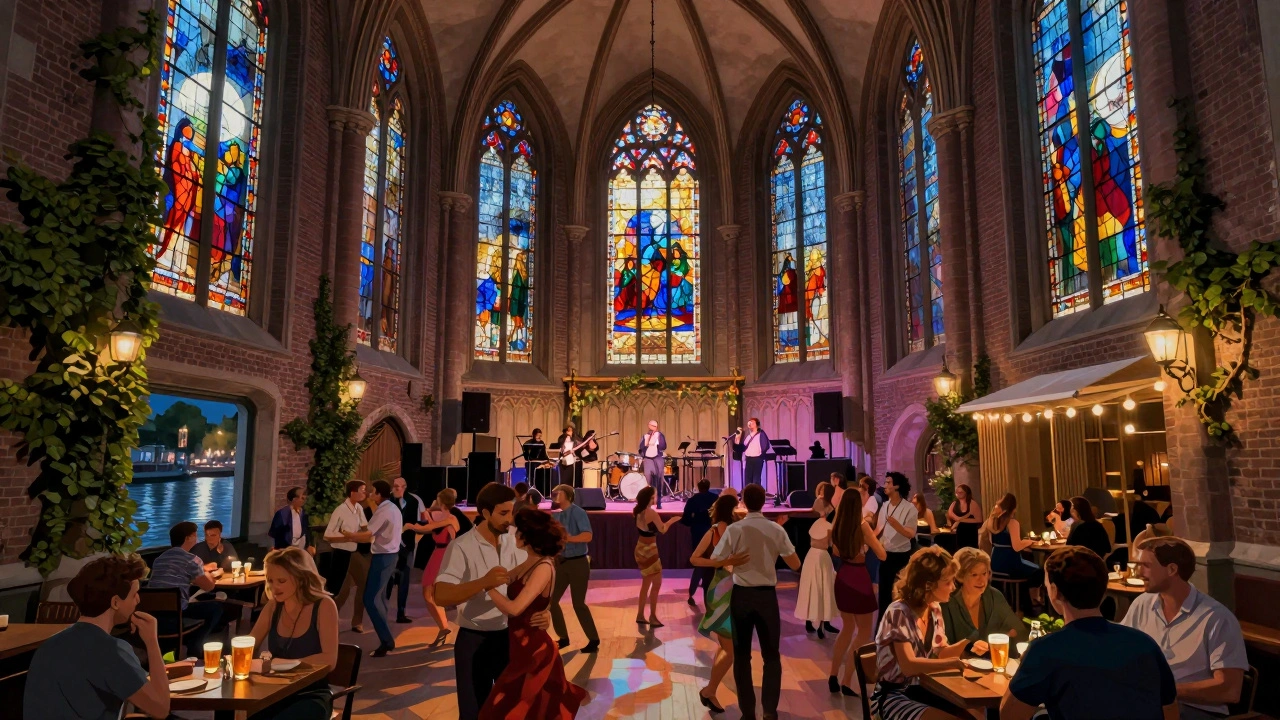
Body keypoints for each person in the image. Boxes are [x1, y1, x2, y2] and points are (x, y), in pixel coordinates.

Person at [1000, 546, 1178, 720]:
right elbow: (1170, 710)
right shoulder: (1145, 643)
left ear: (1054, 592)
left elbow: (1009, 714)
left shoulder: (1046, 650)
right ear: (1102, 591)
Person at [435, 482, 553, 720]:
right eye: (502, 513)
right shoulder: (461, 546)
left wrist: (544, 612)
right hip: (473, 640)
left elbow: (536, 580)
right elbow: (441, 595)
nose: (509, 519)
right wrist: (483, 583)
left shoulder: (516, 540)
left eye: (511, 512)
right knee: (473, 713)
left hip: (511, 639)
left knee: (512, 711)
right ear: (485, 513)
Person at [24, 554, 170, 720]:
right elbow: (160, 708)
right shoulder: (111, 650)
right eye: (134, 594)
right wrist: (152, 641)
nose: (138, 600)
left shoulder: (50, 645)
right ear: (115, 602)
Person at [1122, 536, 1248, 720]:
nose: (1139, 572)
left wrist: (1166, 690)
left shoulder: (1217, 618)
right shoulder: (1142, 604)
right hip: (1152, 703)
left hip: (1197, 711)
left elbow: (1229, 690)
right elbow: (1123, 649)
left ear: (1172, 569)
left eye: (1146, 566)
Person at [478, 508, 587, 719]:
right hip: (520, 644)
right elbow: (507, 578)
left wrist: (488, 587)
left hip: (533, 649)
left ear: (529, 537)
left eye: (519, 531)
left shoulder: (543, 566)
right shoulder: (532, 560)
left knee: (508, 708)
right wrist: (489, 577)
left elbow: (514, 608)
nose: (515, 534)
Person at [712, 483, 801, 720]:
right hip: (766, 597)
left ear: (743, 502)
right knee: (771, 656)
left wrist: (735, 561)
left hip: (741, 595)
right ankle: (770, 712)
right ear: (764, 502)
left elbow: (717, 558)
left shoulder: (735, 529)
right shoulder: (775, 529)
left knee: (742, 657)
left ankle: (748, 713)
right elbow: (795, 564)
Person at [870, 546, 970, 720]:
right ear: (928, 585)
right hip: (893, 696)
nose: (953, 587)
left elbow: (941, 652)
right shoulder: (898, 612)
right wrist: (951, 664)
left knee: (970, 716)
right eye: (948, 582)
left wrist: (970, 640)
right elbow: (909, 666)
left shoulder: (935, 609)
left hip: (922, 689)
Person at [247, 547, 339, 720]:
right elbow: (249, 645)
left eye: (281, 581)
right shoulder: (273, 606)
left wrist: (280, 664)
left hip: (311, 694)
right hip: (275, 691)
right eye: (270, 581)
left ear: (300, 579)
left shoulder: (324, 606)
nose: (274, 587)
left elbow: (329, 660)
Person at [690, 494, 750, 714]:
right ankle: (709, 690)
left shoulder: (735, 528)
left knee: (727, 646)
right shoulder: (716, 530)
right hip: (721, 589)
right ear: (731, 508)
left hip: (733, 587)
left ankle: (710, 691)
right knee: (730, 648)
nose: (740, 508)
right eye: (737, 505)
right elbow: (694, 559)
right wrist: (723, 561)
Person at [829, 487, 886, 696]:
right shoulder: (862, 526)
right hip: (859, 577)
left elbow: (835, 551)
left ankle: (833, 675)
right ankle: (847, 680)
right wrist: (873, 542)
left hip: (843, 576)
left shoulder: (836, 524)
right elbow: (882, 555)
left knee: (846, 628)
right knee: (864, 632)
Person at [340, 479, 401, 656]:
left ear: (380, 494)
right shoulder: (390, 508)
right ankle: (386, 639)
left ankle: (387, 641)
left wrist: (349, 535)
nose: (370, 494)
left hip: (384, 557)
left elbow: (368, 535)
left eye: (373, 492)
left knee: (370, 599)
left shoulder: (385, 510)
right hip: (387, 556)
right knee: (379, 599)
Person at [148, 521, 223, 653]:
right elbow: (209, 586)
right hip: (176, 616)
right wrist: (207, 573)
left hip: (154, 616)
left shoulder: (159, 559)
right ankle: (195, 646)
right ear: (188, 538)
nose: (197, 538)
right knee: (216, 608)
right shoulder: (192, 560)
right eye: (195, 535)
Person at [548, 484, 600, 653]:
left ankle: (593, 639)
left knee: (578, 604)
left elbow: (589, 535)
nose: (555, 495)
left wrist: (568, 538)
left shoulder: (578, 512)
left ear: (568, 495)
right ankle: (563, 637)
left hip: (578, 562)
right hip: (561, 562)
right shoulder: (556, 515)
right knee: (552, 600)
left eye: (559, 493)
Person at [940, 547, 1020, 652]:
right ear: (961, 576)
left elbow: (1016, 630)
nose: (981, 580)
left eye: (984, 573)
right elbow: (943, 648)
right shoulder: (948, 603)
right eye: (974, 575)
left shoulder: (994, 596)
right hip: (958, 664)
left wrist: (997, 642)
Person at [980, 492, 1044, 604]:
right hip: (1010, 562)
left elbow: (989, 541)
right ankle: (1033, 599)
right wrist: (1029, 541)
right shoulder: (1012, 522)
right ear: (1013, 507)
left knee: (1031, 566)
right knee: (1039, 570)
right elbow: (1017, 546)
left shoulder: (991, 521)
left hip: (995, 561)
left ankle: (1027, 599)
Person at [633, 485, 680, 626]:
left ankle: (641, 614)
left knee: (645, 584)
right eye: (655, 495)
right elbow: (663, 529)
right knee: (656, 584)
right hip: (650, 550)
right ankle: (652, 616)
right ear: (651, 498)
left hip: (640, 548)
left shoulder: (637, 511)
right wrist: (672, 521)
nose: (657, 497)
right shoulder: (652, 513)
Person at [421, 488, 462, 645]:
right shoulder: (444, 517)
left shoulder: (451, 519)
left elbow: (452, 539)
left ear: (441, 501)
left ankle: (443, 627)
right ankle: (443, 627)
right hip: (437, 555)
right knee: (430, 594)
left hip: (441, 556)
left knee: (429, 593)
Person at [875, 472, 919, 618]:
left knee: (903, 593)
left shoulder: (909, 508)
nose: (885, 486)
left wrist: (897, 526)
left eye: (888, 483)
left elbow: (910, 534)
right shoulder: (885, 506)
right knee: (884, 595)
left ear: (897, 486)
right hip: (885, 554)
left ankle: (903, 623)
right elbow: (879, 529)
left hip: (902, 556)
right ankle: (882, 627)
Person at [797, 491, 839, 639]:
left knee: (812, 587)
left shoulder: (814, 524)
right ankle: (821, 624)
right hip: (822, 557)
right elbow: (831, 545)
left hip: (811, 557)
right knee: (823, 588)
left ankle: (810, 622)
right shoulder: (828, 525)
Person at [388, 476, 427, 623]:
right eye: (394, 486)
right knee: (390, 579)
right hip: (391, 546)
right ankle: (384, 610)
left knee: (404, 579)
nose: (396, 489)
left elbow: (420, 521)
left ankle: (401, 612)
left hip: (407, 545)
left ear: (405, 487)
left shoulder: (414, 501)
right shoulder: (388, 501)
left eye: (399, 486)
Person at [323, 480, 368, 600]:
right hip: (340, 553)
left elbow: (365, 528)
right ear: (353, 492)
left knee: (362, 582)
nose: (365, 493)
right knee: (335, 587)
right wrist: (347, 537)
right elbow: (327, 535)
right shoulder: (340, 510)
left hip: (353, 552)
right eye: (362, 490)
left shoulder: (358, 508)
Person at [681, 478, 718, 606]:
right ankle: (711, 599)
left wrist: (692, 522)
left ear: (698, 487)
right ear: (709, 486)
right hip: (713, 534)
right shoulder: (716, 498)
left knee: (700, 565)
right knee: (711, 565)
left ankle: (692, 593)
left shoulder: (692, 500)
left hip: (697, 533)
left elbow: (685, 519)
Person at [1065, 495, 1113, 561]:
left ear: (1077, 511)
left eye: (1071, 511)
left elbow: (1068, 547)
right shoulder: (1097, 525)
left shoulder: (1077, 525)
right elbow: (1108, 548)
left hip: (1080, 565)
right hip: (1097, 564)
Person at [268, 486, 314, 553]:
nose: (304, 500)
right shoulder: (282, 513)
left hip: (301, 547)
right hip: (285, 548)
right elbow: (274, 532)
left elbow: (307, 530)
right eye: (302, 498)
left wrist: (309, 545)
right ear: (294, 499)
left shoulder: (304, 514)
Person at [859, 474, 883, 592]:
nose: (859, 488)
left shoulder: (873, 501)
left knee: (871, 574)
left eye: (861, 486)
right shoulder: (868, 500)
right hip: (867, 539)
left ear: (867, 488)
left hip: (871, 539)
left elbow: (868, 520)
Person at [732, 418, 771, 489]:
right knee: (748, 480)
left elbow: (766, 445)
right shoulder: (748, 436)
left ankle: (756, 496)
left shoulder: (761, 434)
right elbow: (742, 448)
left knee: (756, 480)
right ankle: (748, 496)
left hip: (757, 459)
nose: (750, 423)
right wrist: (737, 438)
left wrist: (761, 454)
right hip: (749, 459)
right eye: (749, 422)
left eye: (752, 422)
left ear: (757, 424)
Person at [639, 420, 668, 509]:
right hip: (648, 459)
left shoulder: (659, 435)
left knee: (659, 480)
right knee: (649, 480)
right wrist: (646, 444)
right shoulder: (645, 436)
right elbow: (640, 448)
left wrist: (658, 439)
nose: (653, 428)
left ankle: (659, 502)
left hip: (657, 459)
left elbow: (663, 446)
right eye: (652, 425)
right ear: (649, 426)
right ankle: (649, 502)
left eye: (655, 426)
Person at [945, 484, 981, 549]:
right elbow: (950, 514)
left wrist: (960, 520)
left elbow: (979, 520)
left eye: (961, 492)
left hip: (970, 532)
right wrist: (958, 520)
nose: (958, 494)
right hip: (959, 532)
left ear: (966, 493)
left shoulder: (972, 503)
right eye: (957, 492)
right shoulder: (954, 503)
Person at [556, 424, 584, 489]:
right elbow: (560, 447)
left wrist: (572, 438)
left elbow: (579, 446)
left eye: (570, 431)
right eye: (567, 431)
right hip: (563, 461)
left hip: (572, 462)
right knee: (563, 480)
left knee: (570, 480)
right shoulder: (562, 438)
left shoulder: (575, 439)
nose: (568, 432)